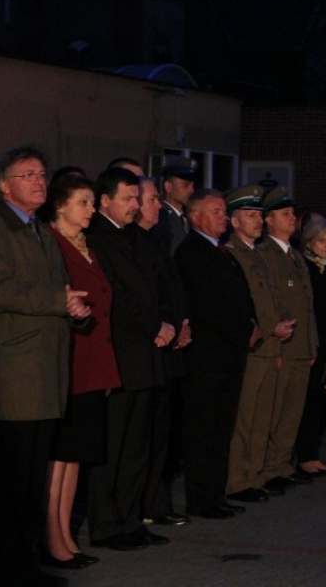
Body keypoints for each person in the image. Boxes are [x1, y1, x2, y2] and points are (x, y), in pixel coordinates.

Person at [0, 146, 89, 586]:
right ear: (4, 184)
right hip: (15, 376)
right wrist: (59, 301)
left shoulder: (38, 228)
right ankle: (10, 568)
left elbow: (55, 287)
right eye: (28, 174)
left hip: (44, 374)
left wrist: (74, 306)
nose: (40, 180)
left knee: (33, 481)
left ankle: (26, 564)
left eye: (42, 173)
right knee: (12, 483)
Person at [86, 167, 173, 550]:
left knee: (138, 445)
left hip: (149, 353)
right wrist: (154, 325)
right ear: (105, 200)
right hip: (121, 352)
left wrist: (169, 321)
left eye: (138, 198)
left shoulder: (141, 238)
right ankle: (106, 525)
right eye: (127, 198)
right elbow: (113, 295)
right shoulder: (98, 239)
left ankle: (130, 517)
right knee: (113, 445)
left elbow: (163, 285)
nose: (135, 205)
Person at [42, 174, 121, 569]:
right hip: (71, 360)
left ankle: (65, 534)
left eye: (92, 203)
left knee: (75, 456)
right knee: (60, 455)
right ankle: (52, 536)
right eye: (84, 203)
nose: (91, 210)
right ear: (60, 206)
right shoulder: (52, 244)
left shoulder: (87, 245)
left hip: (93, 360)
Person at [174, 189, 257, 519]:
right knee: (203, 430)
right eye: (217, 211)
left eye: (224, 212)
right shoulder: (192, 253)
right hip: (207, 358)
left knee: (222, 429)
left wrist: (252, 322)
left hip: (228, 356)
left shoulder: (223, 252)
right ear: (196, 217)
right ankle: (201, 498)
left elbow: (239, 296)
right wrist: (241, 329)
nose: (224, 217)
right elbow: (208, 306)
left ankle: (216, 494)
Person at [223, 185, 298, 501]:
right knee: (246, 417)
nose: (257, 220)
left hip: (271, 345)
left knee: (263, 416)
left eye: (258, 214)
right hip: (254, 346)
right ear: (234, 221)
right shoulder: (233, 253)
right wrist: (270, 329)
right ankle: (238, 481)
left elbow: (272, 299)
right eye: (249, 215)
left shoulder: (258, 254)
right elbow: (246, 304)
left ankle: (254, 475)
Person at [133, 175, 193, 528]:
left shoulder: (156, 239)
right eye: (151, 200)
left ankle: (157, 500)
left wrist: (181, 323)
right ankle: (146, 502)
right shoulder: (134, 243)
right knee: (148, 434)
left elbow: (172, 287)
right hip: (151, 346)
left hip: (170, 345)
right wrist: (166, 326)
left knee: (163, 434)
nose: (157, 207)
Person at [256, 187, 319, 488]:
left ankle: (281, 465)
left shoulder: (294, 255)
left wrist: (312, 344)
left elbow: (308, 305)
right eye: (285, 214)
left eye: (293, 213)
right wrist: (277, 347)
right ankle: (267, 468)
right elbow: (272, 304)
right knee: (274, 411)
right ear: (268, 220)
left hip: (301, 345)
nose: (292, 218)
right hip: (282, 344)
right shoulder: (265, 254)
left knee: (292, 411)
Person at [295, 217, 326, 476]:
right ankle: (304, 454)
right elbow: (314, 309)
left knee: (322, 397)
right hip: (315, 340)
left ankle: (311, 451)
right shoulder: (307, 267)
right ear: (309, 242)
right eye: (321, 242)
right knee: (309, 399)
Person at [156, 157, 196, 255]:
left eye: (192, 186)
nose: (192, 191)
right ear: (168, 187)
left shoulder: (188, 217)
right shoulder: (159, 217)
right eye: (186, 185)